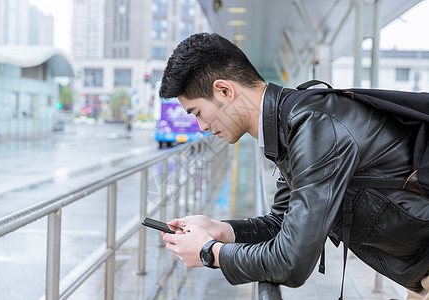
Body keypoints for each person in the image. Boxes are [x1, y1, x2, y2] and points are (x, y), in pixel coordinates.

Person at [159, 33, 429, 299]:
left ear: (225, 91)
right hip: (419, 277)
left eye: (197, 112)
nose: (202, 127)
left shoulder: (315, 127)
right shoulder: (289, 125)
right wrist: (220, 230)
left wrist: (210, 252)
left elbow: (292, 262)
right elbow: (281, 222)